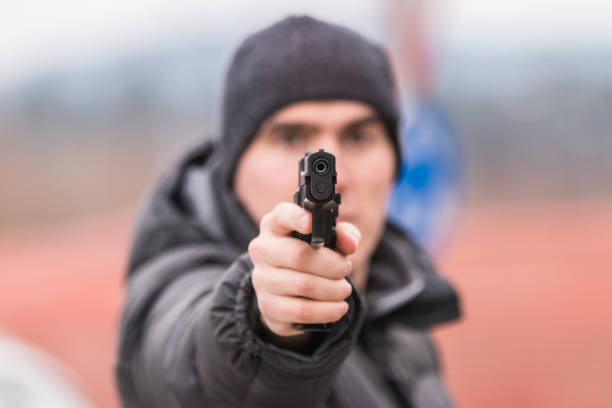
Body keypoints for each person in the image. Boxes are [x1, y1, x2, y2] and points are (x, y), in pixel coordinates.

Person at [116, 15, 460, 408]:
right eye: (291, 137)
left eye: (360, 136)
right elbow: (190, 363)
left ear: (395, 161)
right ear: (232, 166)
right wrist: (267, 326)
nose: (335, 176)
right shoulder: (177, 286)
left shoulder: (398, 300)